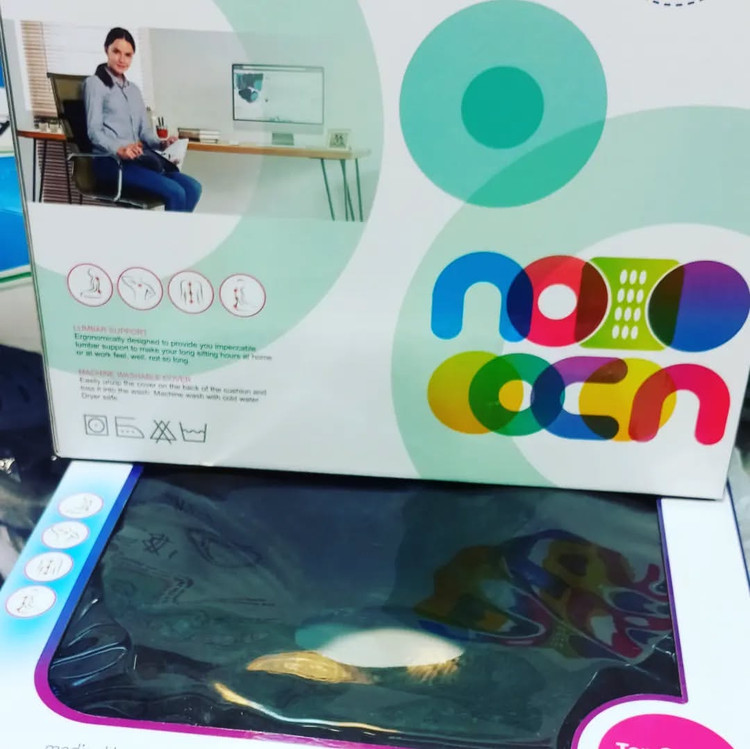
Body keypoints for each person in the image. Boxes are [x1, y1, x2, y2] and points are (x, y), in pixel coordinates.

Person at [83, 27, 202, 213]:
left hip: (139, 161)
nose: (122, 59)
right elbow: (94, 131)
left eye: (128, 55)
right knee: (176, 192)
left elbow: (144, 132)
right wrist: (120, 149)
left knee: (193, 188)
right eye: (116, 52)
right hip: (112, 163)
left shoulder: (134, 91)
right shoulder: (95, 84)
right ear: (106, 49)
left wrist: (162, 143)